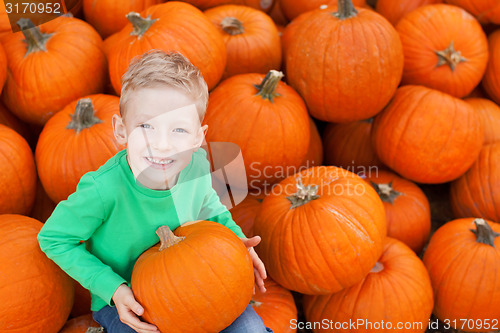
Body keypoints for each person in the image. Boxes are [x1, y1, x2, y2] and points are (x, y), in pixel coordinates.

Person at [37, 50, 271, 333]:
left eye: (179, 130)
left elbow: (212, 210)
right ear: (121, 130)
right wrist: (113, 288)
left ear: (199, 137)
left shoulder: (196, 166)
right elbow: (54, 239)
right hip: (131, 301)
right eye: (146, 126)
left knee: (250, 330)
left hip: (200, 282)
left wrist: (238, 242)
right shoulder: (104, 190)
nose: (162, 144)